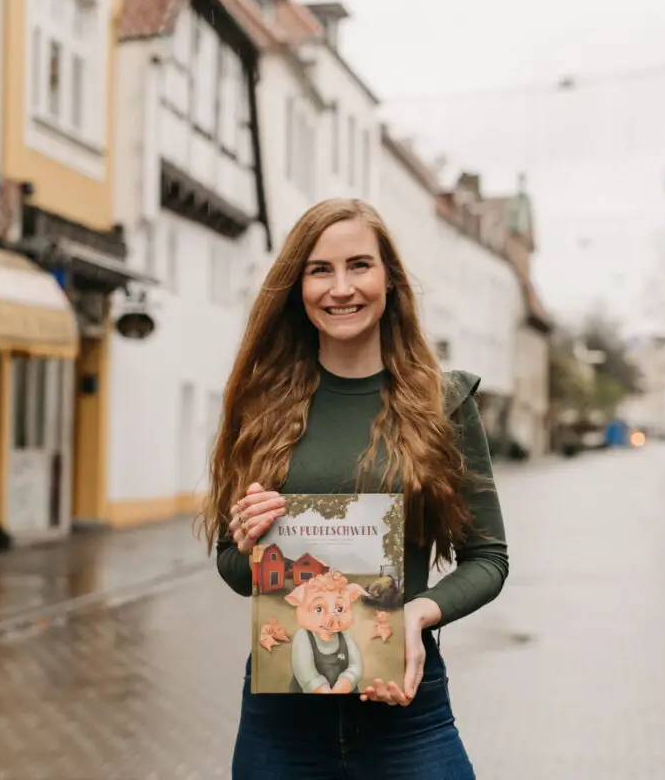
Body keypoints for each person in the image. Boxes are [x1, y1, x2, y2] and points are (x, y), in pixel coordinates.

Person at [200, 198, 509, 779]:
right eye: (320, 270)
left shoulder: (444, 404)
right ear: (298, 287)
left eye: (359, 266)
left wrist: (418, 614)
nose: (341, 288)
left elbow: (489, 559)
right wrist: (248, 545)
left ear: (389, 279)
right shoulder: (260, 406)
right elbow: (235, 571)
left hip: (407, 708)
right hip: (282, 717)